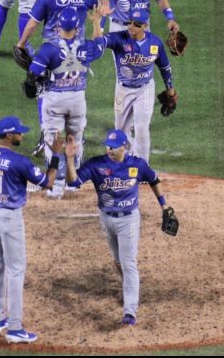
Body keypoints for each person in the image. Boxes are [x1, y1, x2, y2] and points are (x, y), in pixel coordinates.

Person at [0, 116, 62, 344]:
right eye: (19, 132)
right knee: (16, 270)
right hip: (8, 217)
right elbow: (48, 183)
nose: (22, 135)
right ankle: (15, 328)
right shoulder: (19, 161)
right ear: (9, 135)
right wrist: (56, 155)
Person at [64, 129, 174, 326]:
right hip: (106, 219)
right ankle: (128, 286)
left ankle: (130, 311)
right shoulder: (97, 165)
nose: (109, 149)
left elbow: (154, 180)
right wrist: (70, 159)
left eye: (114, 147)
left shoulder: (137, 165)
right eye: (108, 145)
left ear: (124, 147)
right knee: (118, 262)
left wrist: (164, 204)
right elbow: (73, 182)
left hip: (129, 220)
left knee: (128, 262)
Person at [15, 0, 99, 157]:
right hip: (77, 52)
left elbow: (33, 23)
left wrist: (21, 43)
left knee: (44, 92)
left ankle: (47, 138)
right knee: (75, 88)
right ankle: (76, 135)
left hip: (50, 52)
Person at [27, 0, 111, 198]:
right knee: (76, 139)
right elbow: (99, 43)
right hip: (77, 100)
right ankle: (73, 182)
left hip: (54, 100)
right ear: (77, 27)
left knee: (53, 139)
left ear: (58, 26)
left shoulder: (48, 49)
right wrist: (100, 19)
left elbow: (32, 76)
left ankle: (55, 186)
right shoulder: (86, 48)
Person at [95, 8, 176, 162]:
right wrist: (102, 20)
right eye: (129, 23)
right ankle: (122, 163)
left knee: (141, 128)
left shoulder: (155, 42)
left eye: (136, 24)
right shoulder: (119, 38)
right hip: (123, 90)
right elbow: (98, 42)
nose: (131, 26)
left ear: (145, 26)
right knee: (120, 130)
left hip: (144, 90)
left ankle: (142, 166)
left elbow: (165, 67)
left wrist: (170, 90)